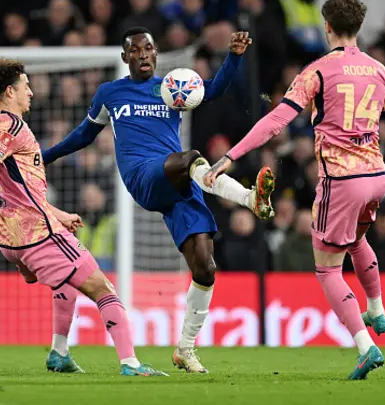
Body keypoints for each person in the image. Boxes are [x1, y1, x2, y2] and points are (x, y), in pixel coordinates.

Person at [204, 0, 385, 380]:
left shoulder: (318, 72)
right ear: (358, 27)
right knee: (356, 240)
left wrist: (230, 157)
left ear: (327, 26)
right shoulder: (381, 72)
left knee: (328, 270)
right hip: (377, 178)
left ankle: (366, 347)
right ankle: (375, 307)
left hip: (341, 181)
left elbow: (276, 120)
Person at [42, 26, 275, 373]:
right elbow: (83, 135)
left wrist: (234, 57)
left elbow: (215, 90)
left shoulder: (170, 87)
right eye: (135, 50)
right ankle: (248, 198)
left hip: (182, 182)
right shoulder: (110, 92)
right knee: (190, 156)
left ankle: (185, 349)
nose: (143, 54)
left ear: (155, 52)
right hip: (145, 175)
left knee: (205, 269)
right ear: (125, 58)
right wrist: (45, 156)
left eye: (148, 48)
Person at [0, 58, 167, 377]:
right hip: (39, 235)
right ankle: (131, 364)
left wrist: (58, 213)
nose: (30, 91)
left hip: (12, 238)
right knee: (104, 290)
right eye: (25, 85)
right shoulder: (12, 127)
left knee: (66, 282)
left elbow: (18, 187)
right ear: (9, 91)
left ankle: (59, 353)